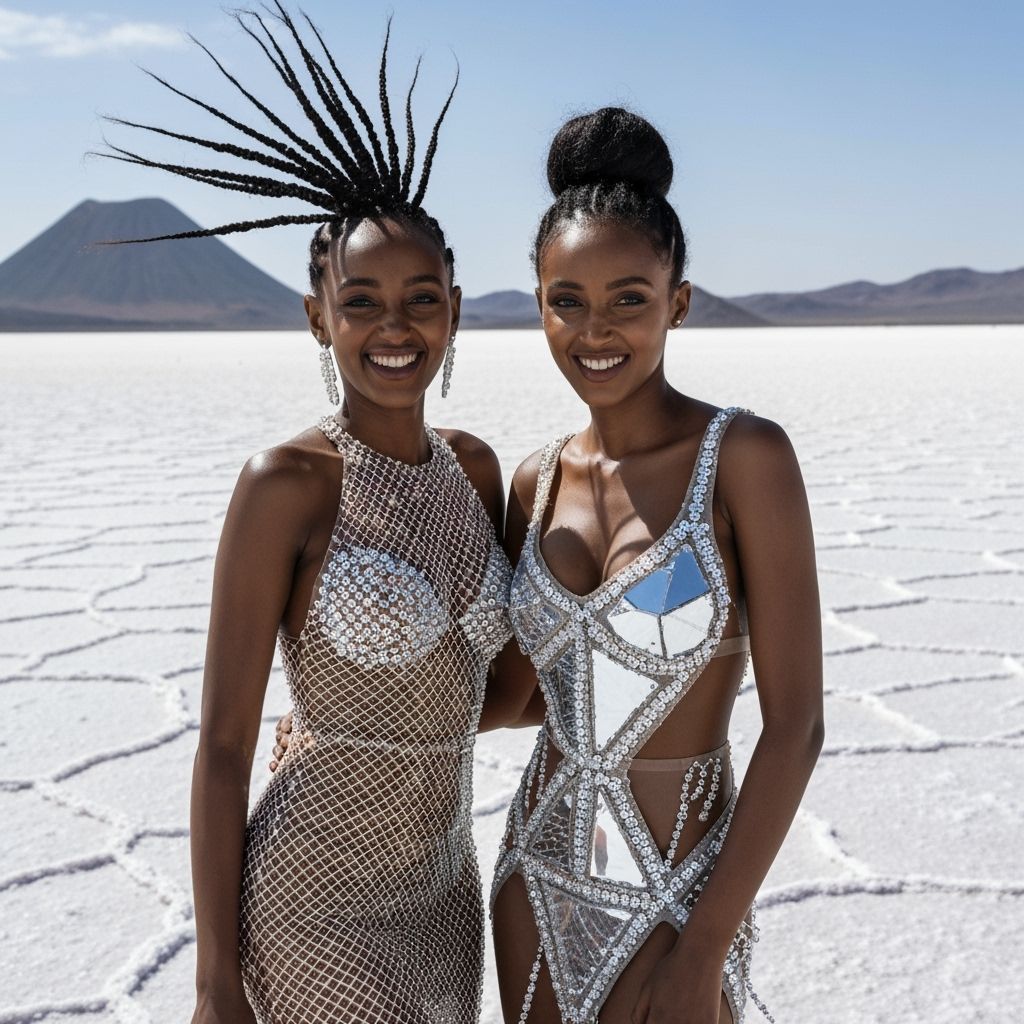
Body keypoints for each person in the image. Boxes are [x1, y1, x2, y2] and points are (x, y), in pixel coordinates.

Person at [101, 6, 514, 1022]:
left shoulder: (476, 472)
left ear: (455, 309)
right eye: (360, 300)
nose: (393, 325)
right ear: (317, 318)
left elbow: (492, 691)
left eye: (421, 298)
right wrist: (214, 981)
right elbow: (223, 748)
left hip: (445, 898)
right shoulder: (286, 484)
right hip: (312, 902)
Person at [485, 108, 825, 1024]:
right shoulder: (537, 482)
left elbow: (796, 727)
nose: (594, 330)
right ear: (538, 304)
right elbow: (521, 696)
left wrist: (703, 949)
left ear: (679, 301)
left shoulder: (744, 459)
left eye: (629, 299)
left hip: (681, 900)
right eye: (567, 300)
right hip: (532, 882)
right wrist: (343, 716)